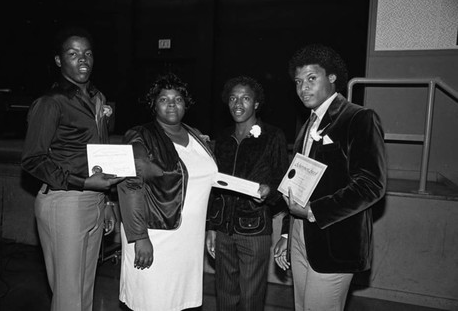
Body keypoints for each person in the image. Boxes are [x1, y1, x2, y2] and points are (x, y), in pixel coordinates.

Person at [273, 44, 387, 311]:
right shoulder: (308, 125)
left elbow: (371, 185)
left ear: (333, 77)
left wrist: (313, 210)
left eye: (312, 78)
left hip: (335, 240)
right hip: (302, 237)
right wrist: (288, 235)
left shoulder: (359, 118)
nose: (303, 88)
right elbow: (297, 184)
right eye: (299, 82)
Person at [21, 26, 123, 311]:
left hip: (94, 200)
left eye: (87, 53)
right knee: (68, 297)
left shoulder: (97, 99)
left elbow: (100, 156)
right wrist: (84, 183)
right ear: (58, 61)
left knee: (84, 293)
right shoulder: (51, 103)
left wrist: (107, 202)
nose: (82, 59)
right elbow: (33, 159)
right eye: (73, 53)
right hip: (64, 201)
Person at [117, 72, 218, 311]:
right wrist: (139, 236)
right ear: (154, 104)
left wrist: (212, 225)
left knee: (179, 302)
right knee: (151, 301)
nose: (172, 104)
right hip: (155, 234)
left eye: (178, 99)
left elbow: (207, 183)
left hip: (188, 240)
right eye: (164, 99)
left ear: (186, 104)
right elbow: (130, 183)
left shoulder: (195, 134)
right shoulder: (140, 135)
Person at [205, 76, 289, 311]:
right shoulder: (222, 138)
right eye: (233, 98)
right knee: (224, 294)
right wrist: (211, 226)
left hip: (254, 229)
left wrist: (269, 191)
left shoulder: (273, 136)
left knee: (251, 298)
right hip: (222, 229)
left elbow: (283, 183)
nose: (238, 103)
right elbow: (215, 187)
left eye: (245, 98)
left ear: (256, 104)